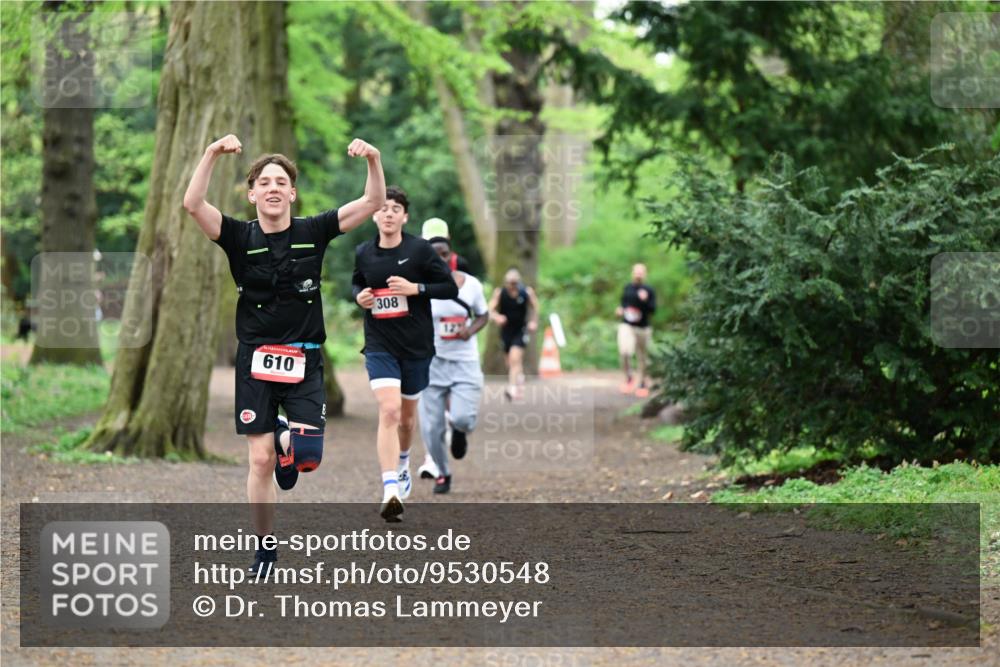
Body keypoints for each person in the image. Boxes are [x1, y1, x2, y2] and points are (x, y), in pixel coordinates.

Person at [184, 133, 385, 572]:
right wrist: (211, 154)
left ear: (292, 193)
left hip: (304, 357)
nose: (273, 188)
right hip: (255, 361)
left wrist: (373, 158)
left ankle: (285, 437)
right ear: (252, 193)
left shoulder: (313, 231)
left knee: (306, 460)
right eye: (265, 182)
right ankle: (265, 548)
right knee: (260, 461)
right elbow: (193, 205)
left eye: (281, 182)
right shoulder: (237, 236)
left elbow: (372, 202)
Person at [352, 186, 458, 521]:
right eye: (383, 208)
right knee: (389, 410)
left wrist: (417, 289)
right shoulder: (364, 252)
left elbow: (450, 288)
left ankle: (402, 463)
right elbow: (357, 282)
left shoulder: (421, 250)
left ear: (405, 216)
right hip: (380, 344)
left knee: (408, 419)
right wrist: (360, 297)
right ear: (374, 214)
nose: (388, 213)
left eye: (395, 208)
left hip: (416, 346)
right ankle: (390, 489)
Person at [418, 236, 489, 494]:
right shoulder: (419, 286)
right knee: (431, 428)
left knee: (463, 417)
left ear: (452, 255)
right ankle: (443, 473)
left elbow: (484, 315)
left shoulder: (471, 285)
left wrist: (469, 331)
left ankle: (459, 431)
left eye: (444, 254)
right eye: (433, 254)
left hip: (464, 362)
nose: (440, 259)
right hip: (432, 363)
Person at [488, 268, 539, 400]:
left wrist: (533, 322)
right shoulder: (500, 293)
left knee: (514, 358)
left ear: (519, 282)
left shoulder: (526, 292)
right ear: (506, 282)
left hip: (520, 330)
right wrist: (497, 317)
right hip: (506, 331)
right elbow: (490, 310)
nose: (512, 286)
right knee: (510, 362)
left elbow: (535, 307)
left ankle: (512, 388)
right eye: (510, 283)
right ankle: (519, 377)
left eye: (515, 283)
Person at [616, 263, 656, 397]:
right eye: (636, 271)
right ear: (632, 273)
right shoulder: (628, 288)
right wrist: (620, 309)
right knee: (625, 351)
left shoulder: (649, 290)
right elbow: (623, 303)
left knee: (643, 357)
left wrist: (645, 300)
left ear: (645, 274)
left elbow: (653, 310)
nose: (638, 274)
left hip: (643, 328)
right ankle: (629, 379)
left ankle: (643, 383)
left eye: (641, 272)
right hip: (627, 325)